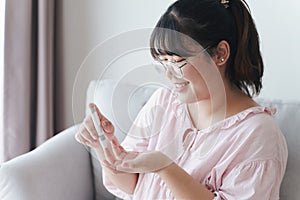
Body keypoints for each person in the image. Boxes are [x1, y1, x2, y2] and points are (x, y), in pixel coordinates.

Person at [75, 0, 288, 199]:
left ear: (220, 54)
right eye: (163, 62)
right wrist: (103, 146)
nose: (169, 75)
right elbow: (131, 185)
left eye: (177, 62)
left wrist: (165, 168)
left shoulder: (257, 134)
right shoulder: (164, 102)